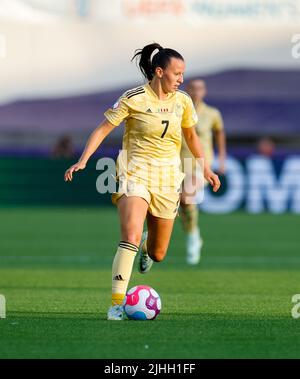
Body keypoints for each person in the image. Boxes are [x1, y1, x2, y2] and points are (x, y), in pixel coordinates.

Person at [64, 43, 220, 321]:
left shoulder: (182, 101)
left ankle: (148, 246)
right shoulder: (133, 98)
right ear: (159, 72)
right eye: (177, 73)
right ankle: (116, 304)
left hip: (168, 178)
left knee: (158, 253)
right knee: (130, 237)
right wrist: (84, 159)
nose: (181, 79)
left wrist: (205, 169)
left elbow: (192, 137)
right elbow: (103, 129)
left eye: (183, 74)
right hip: (133, 173)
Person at [180, 79, 226, 265]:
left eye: (199, 88)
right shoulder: (178, 109)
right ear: (187, 90)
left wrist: (221, 159)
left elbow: (220, 134)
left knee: (186, 197)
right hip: (177, 164)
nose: (196, 92)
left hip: (201, 164)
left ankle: (192, 239)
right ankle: (193, 233)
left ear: (204, 91)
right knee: (183, 205)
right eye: (192, 88)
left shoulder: (212, 113)